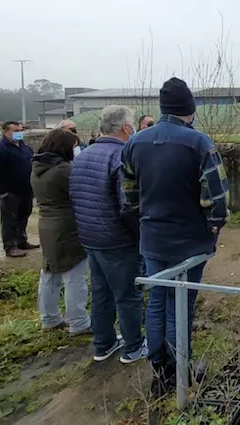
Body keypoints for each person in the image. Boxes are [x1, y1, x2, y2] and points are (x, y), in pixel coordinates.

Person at [121, 77, 230, 395]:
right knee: (182, 300)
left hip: (152, 238)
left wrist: (144, 220)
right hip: (191, 242)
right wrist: (213, 226)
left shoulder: (136, 142)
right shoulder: (199, 143)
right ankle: (179, 367)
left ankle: (159, 363)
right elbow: (218, 198)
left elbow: (128, 195)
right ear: (190, 110)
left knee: (157, 298)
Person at [70, 105, 147, 364]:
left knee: (101, 293)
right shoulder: (121, 157)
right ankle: (133, 346)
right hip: (118, 240)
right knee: (128, 295)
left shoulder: (82, 155)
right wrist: (140, 235)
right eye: (133, 123)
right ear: (126, 128)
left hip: (91, 238)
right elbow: (128, 205)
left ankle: (103, 344)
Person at [30, 128, 90, 335]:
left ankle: (49, 317)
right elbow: (82, 194)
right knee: (75, 276)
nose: (76, 150)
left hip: (47, 224)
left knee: (49, 273)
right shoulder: (64, 170)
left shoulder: (38, 167)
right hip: (67, 226)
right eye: (73, 146)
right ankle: (79, 321)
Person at [0, 121, 37, 258]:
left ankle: (21, 241)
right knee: (9, 220)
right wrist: (1, 190)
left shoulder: (24, 147)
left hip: (26, 189)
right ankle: (10, 246)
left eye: (20, 130)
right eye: (15, 130)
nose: (19, 133)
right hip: (10, 191)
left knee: (23, 217)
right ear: (6, 132)